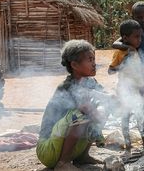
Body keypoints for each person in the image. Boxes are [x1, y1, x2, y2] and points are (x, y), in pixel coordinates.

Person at [36, 40, 109, 171]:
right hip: (49, 150)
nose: (94, 64)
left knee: (102, 108)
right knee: (82, 114)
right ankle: (63, 163)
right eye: (90, 60)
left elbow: (106, 97)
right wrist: (98, 115)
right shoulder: (67, 87)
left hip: (65, 145)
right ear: (74, 65)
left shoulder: (90, 82)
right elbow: (86, 109)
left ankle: (82, 156)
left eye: (94, 59)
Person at [108, 19, 144, 153]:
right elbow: (110, 71)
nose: (139, 40)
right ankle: (128, 144)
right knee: (125, 116)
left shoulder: (135, 49)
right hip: (125, 90)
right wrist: (123, 64)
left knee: (142, 115)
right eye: (136, 37)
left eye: (140, 36)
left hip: (138, 89)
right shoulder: (120, 53)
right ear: (126, 38)